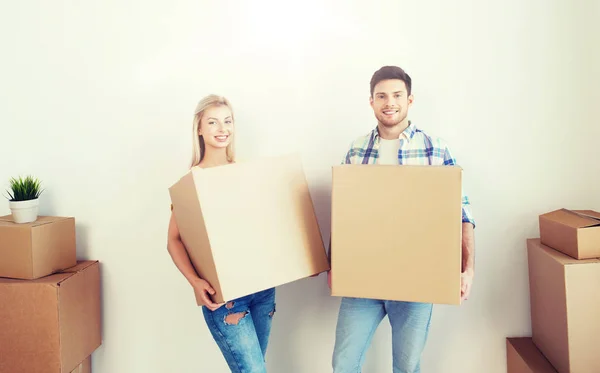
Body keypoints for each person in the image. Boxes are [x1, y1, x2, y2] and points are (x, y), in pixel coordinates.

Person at [329, 66, 476, 373]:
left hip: (418, 282)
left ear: (410, 99)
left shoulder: (435, 148)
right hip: (363, 280)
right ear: (371, 102)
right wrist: (335, 265)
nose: (389, 102)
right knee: (343, 363)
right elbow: (343, 214)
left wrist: (468, 268)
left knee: (407, 367)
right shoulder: (357, 150)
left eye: (397, 95)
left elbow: (462, 214)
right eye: (381, 96)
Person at [166, 94, 276, 373]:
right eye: (213, 122)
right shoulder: (192, 181)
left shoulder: (246, 173)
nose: (222, 128)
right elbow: (173, 240)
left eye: (227, 121)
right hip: (225, 297)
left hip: (262, 290)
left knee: (254, 368)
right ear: (199, 129)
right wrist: (194, 281)